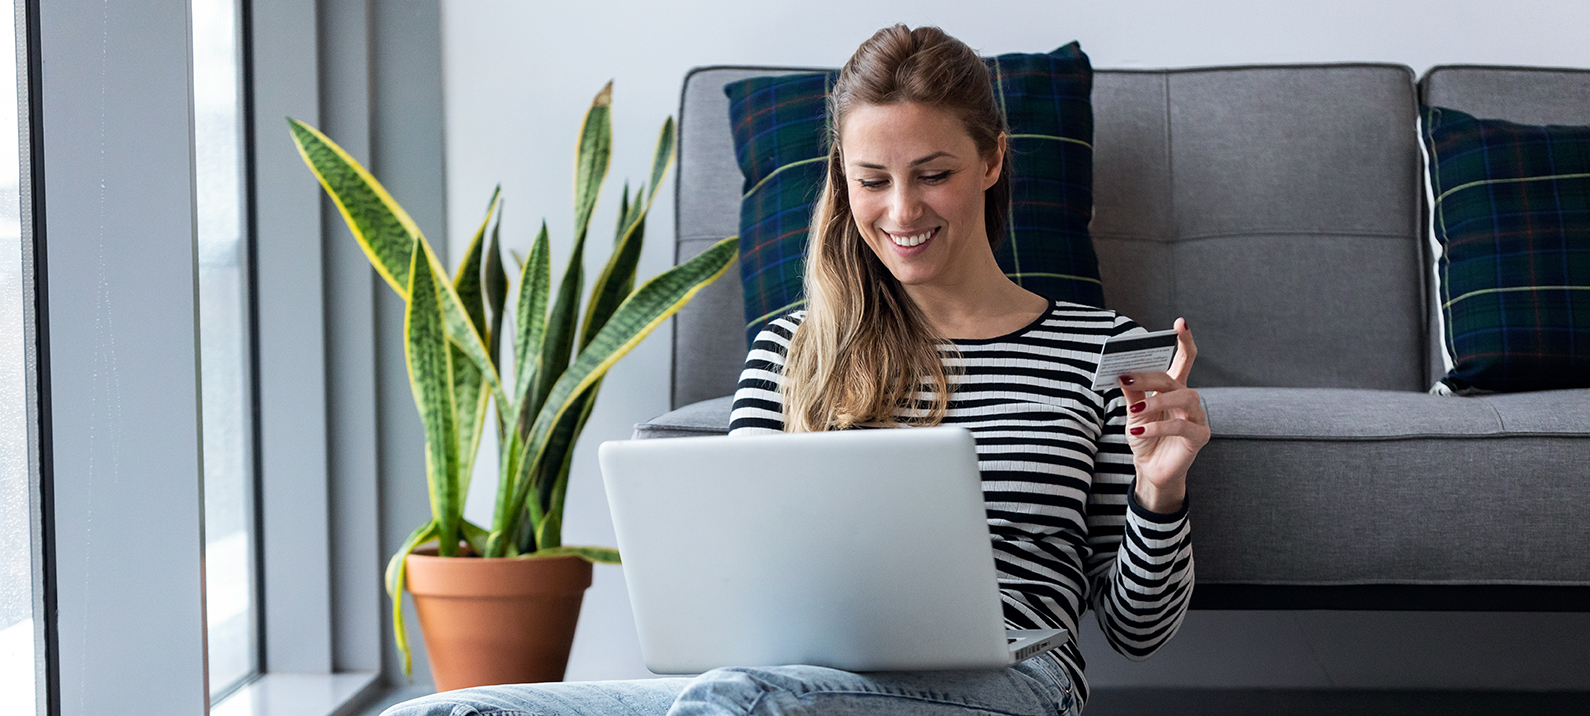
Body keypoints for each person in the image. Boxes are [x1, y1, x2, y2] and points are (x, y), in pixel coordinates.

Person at [385, 23, 1206, 716]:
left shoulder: (1104, 352)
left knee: (744, 702)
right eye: (872, 181)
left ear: (992, 161)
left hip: (1014, 678)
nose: (902, 211)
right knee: (450, 709)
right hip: (780, 680)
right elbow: (741, 595)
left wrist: (1158, 491)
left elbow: (1138, 632)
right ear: (842, 182)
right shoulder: (791, 348)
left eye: (934, 174)